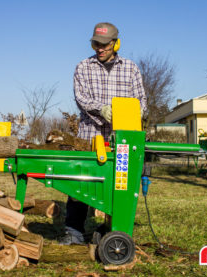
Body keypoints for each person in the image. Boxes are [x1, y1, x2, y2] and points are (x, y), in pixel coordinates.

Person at [59, 22, 147, 245]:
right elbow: (81, 99)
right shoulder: (83, 67)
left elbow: (141, 103)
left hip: (121, 139)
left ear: (116, 43)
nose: (99, 49)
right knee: (81, 182)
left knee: (118, 184)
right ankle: (74, 231)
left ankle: (110, 228)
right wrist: (103, 109)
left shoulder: (131, 68)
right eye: (95, 44)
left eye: (103, 45)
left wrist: (127, 115)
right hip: (91, 134)